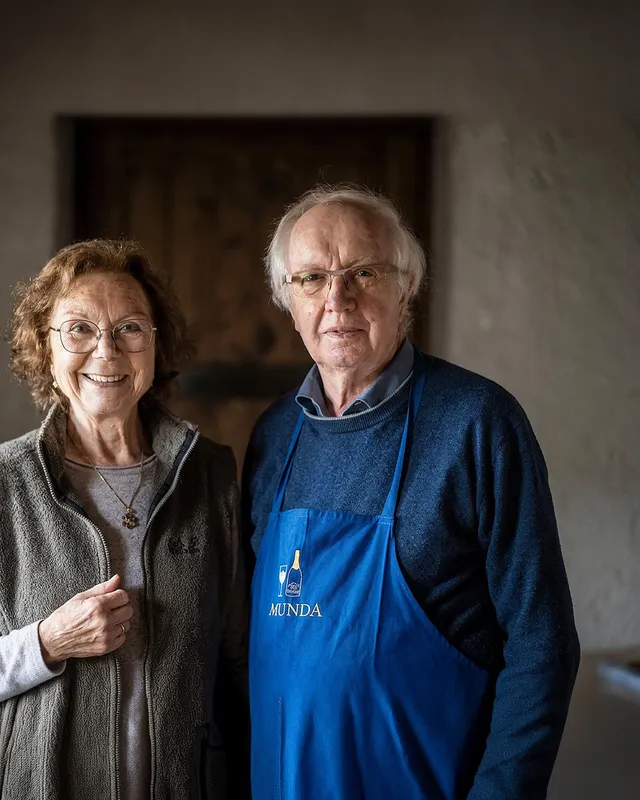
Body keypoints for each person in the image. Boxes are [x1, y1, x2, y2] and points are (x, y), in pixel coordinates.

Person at [242, 185, 580, 799]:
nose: (336, 298)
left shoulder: (478, 422)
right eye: (312, 278)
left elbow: (543, 644)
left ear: (406, 287)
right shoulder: (272, 435)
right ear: (286, 300)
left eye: (363, 272)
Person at [0, 240, 248, 800]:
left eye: (130, 328)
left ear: (155, 344)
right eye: (78, 329)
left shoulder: (210, 475)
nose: (107, 351)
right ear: (44, 349)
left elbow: (239, 657)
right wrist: (47, 642)